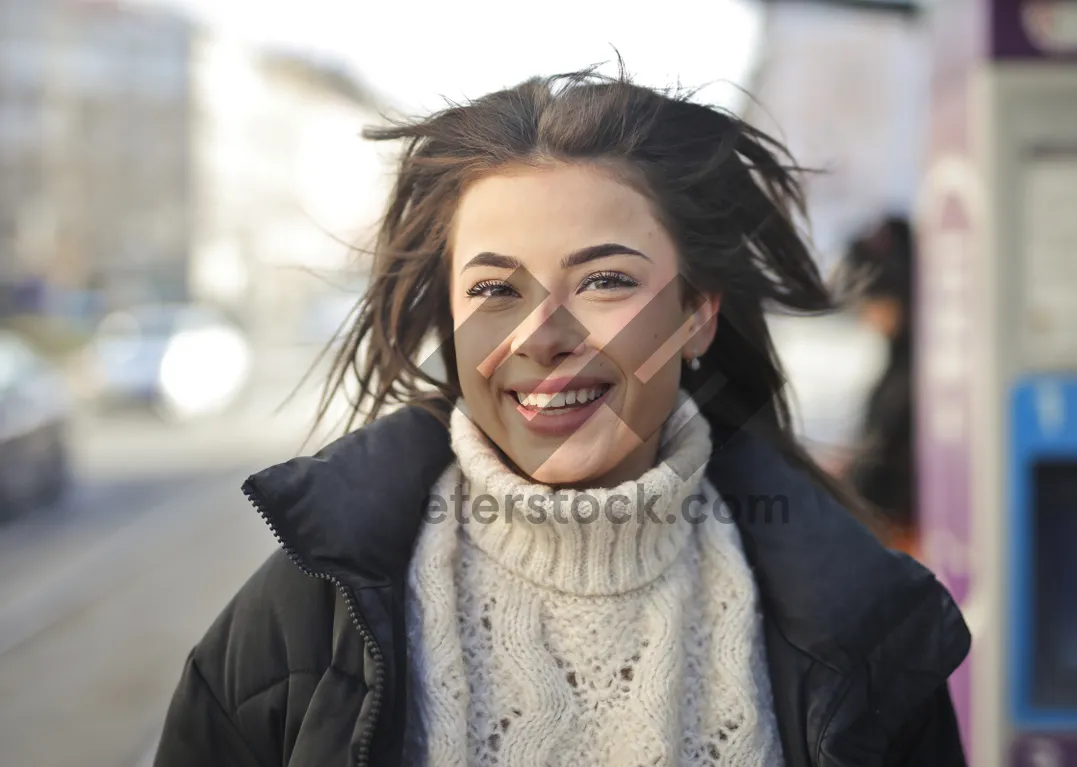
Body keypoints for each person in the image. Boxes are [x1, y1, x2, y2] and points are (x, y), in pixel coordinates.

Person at [153, 68, 969, 767]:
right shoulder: (302, 618)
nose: (541, 337)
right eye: (494, 288)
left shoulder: (862, 625)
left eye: (605, 280)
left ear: (697, 313)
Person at [841, 217, 919, 557]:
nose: (864, 314)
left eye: (870, 299)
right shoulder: (904, 361)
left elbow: (886, 464)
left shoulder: (917, 372)